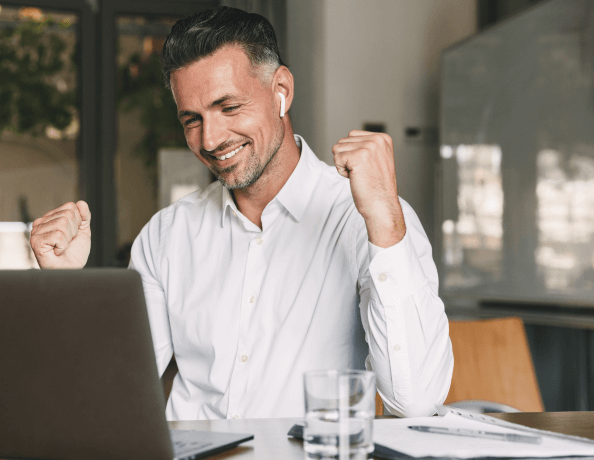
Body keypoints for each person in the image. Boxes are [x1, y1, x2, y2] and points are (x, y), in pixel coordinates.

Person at [30, 7, 453, 420]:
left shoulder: (368, 219)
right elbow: (111, 391)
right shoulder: (167, 234)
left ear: (281, 91)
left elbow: (414, 400)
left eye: (228, 108)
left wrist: (383, 217)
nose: (210, 139)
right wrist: (68, 287)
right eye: (191, 119)